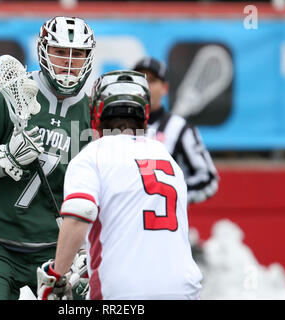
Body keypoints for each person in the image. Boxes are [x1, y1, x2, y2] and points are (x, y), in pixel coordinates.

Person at [0, 16, 96, 300]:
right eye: (60, 51)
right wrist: (5, 159)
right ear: (42, 50)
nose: (68, 62)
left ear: (89, 58)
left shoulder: (93, 113)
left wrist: (86, 247)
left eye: (77, 54)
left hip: (58, 251)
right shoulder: (13, 94)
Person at [37, 70, 203, 300]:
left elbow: (79, 216)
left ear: (96, 110)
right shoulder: (166, 157)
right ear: (144, 112)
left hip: (123, 292)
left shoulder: (92, 156)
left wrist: (55, 277)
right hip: (185, 289)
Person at [132, 57, 219, 204]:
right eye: (139, 79)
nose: (145, 86)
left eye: (152, 80)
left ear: (165, 88)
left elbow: (208, 178)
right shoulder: (116, 126)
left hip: (164, 224)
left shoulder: (179, 128)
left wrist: (172, 194)